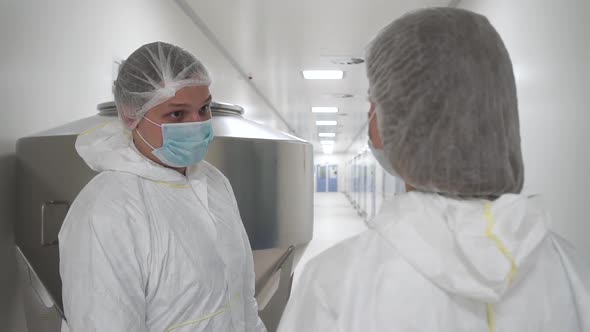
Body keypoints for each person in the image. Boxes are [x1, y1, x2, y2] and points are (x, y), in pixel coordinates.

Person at [278, 8, 589, 332]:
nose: (370, 120)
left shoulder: (336, 284)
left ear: (397, 122)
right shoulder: (572, 273)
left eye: (374, 105)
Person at [59, 41, 266, 332]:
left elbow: (242, 300)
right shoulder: (107, 208)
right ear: (132, 116)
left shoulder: (214, 182)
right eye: (177, 114)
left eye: (204, 108)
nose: (197, 123)